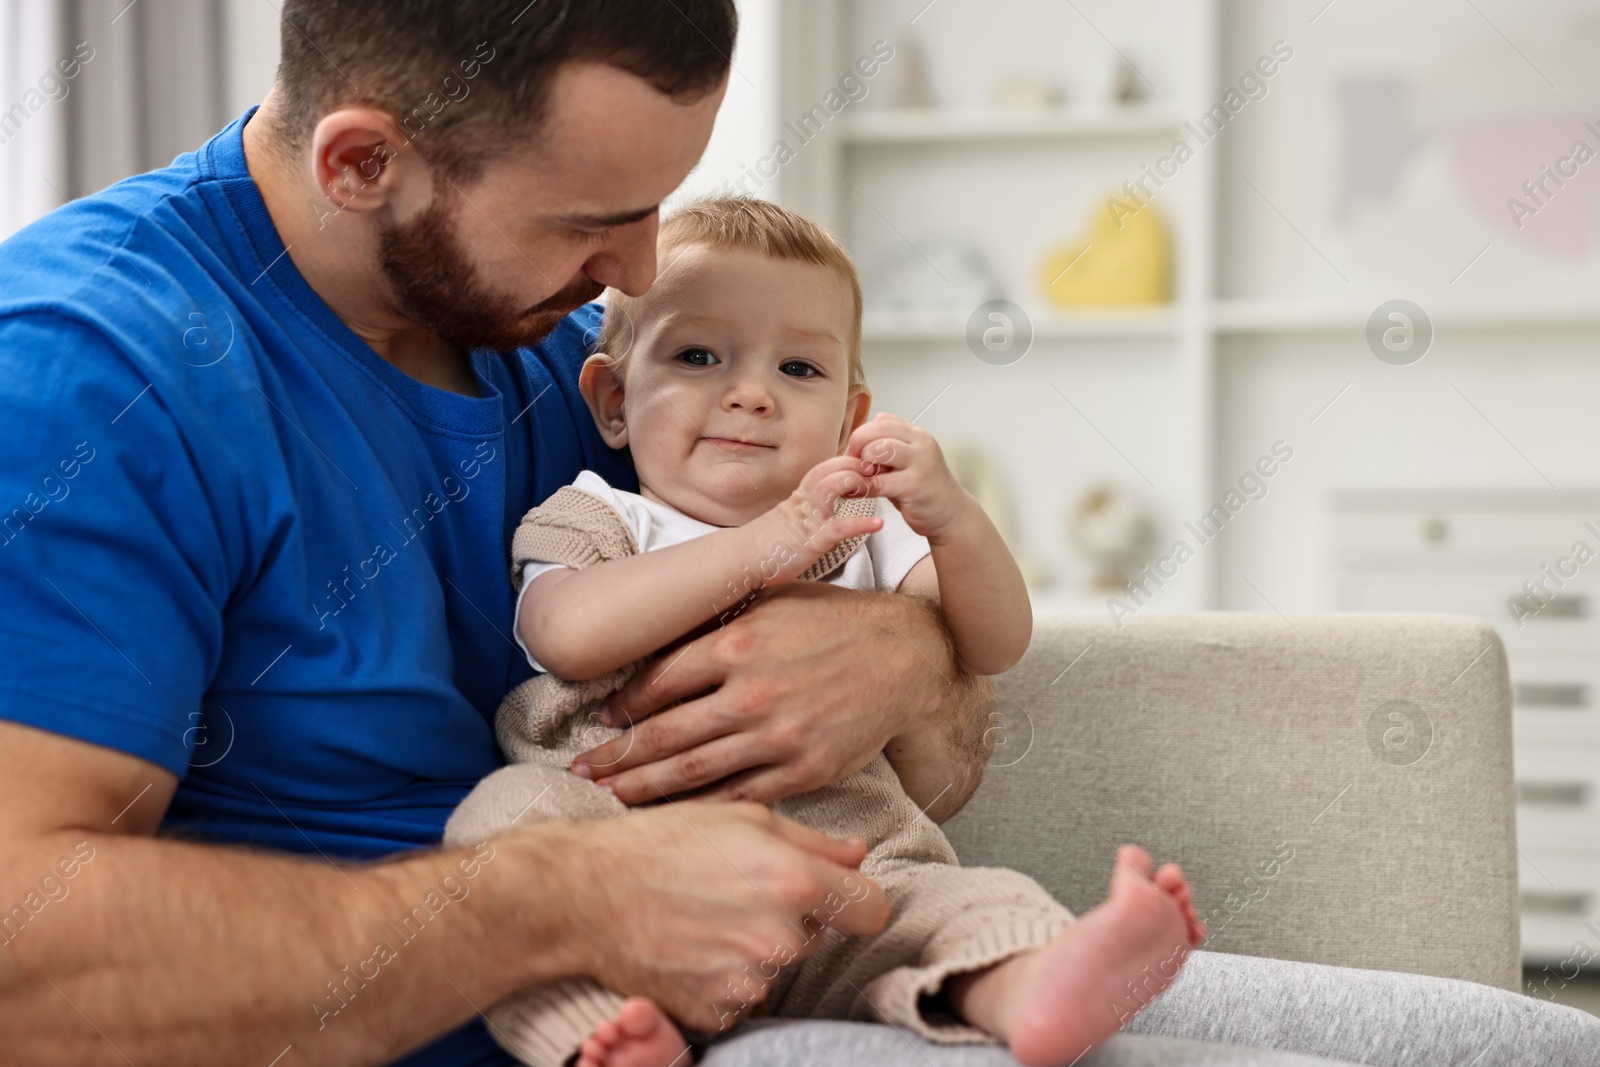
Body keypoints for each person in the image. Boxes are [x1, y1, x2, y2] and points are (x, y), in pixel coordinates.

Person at [0, 2, 1596, 1066]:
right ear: (363, 161)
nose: (636, 267)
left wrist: (898, 649)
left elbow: (941, 714)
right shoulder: (93, 372)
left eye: (657, 204)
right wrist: (572, 903)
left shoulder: (569, 357)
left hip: (801, 947)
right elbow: (23, 952)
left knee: (1504, 1039)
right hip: (579, 1020)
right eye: (585, 221)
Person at [442, 197, 1206, 1067]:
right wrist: (762, 545)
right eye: (699, 355)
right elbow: (566, 632)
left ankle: (1033, 989)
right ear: (615, 400)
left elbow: (996, 643)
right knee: (498, 829)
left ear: (850, 417)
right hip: (626, 875)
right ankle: (602, 1036)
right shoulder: (596, 515)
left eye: (800, 368)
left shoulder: (863, 526)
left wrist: (951, 519)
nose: (752, 393)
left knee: (958, 902)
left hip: (846, 879)